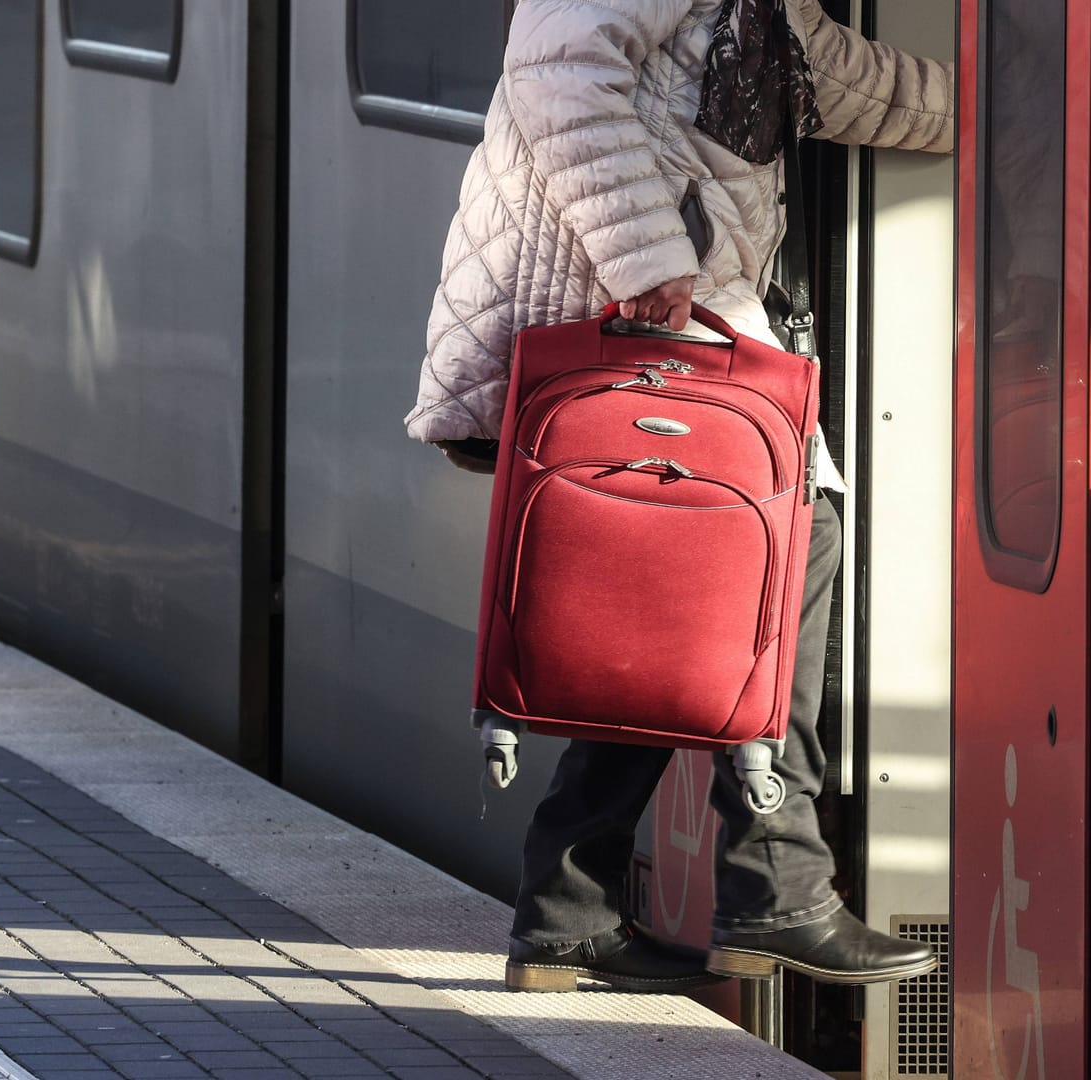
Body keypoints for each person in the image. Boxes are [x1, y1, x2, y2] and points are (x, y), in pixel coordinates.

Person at [404, 0, 953, 992]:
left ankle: (566, 913)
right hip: (633, 294)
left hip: (665, 291)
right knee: (785, 551)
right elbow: (558, 71)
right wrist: (651, 257)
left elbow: (833, 76)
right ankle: (773, 889)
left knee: (675, 597)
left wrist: (1000, 111)